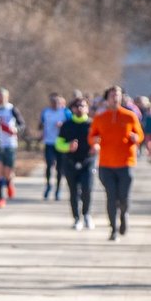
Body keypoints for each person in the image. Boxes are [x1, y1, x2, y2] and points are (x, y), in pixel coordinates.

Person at [88, 85, 144, 241]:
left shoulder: (130, 116)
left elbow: (140, 134)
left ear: (121, 97)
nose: (115, 98)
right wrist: (95, 142)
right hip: (106, 164)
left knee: (124, 197)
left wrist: (136, 138)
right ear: (107, 98)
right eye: (112, 95)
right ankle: (113, 229)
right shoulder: (100, 118)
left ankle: (124, 215)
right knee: (111, 197)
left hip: (126, 163)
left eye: (118, 95)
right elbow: (92, 137)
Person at [56, 97, 97, 230]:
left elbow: (100, 140)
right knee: (73, 191)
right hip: (70, 162)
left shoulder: (92, 124)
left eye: (83, 106)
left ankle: (86, 215)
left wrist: (97, 146)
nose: (79, 108)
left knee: (87, 189)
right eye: (77, 106)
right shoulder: (67, 125)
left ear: (87, 108)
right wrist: (68, 146)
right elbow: (58, 144)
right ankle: (76, 218)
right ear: (72, 109)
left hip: (88, 162)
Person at [0, 87, 25, 207]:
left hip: (10, 144)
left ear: (7, 97)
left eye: (3, 96)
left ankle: (9, 182)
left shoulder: (12, 109)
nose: (0, 98)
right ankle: (1, 198)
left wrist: (15, 129)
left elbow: (22, 124)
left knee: (7, 172)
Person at [39, 93, 69, 200]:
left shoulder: (65, 112)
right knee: (49, 165)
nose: (55, 104)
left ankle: (58, 189)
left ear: (61, 102)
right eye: (53, 101)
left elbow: (71, 125)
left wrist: (63, 125)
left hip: (61, 143)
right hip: (49, 143)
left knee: (59, 168)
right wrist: (41, 133)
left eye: (57, 102)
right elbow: (41, 124)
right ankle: (48, 185)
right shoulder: (46, 112)